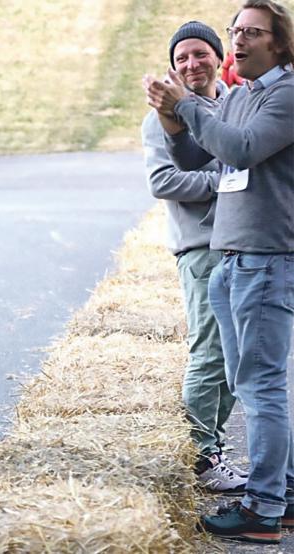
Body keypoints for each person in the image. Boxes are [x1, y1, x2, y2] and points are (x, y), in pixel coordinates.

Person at [144, 0, 294, 544]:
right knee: (249, 382)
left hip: (264, 257)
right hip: (232, 257)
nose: (240, 40)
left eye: (253, 32)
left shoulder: (284, 92)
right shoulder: (244, 96)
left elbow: (241, 150)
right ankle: (284, 493)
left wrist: (187, 107)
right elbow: (191, 160)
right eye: (235, 30)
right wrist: (171, 119)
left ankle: (263, 510)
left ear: (279, 43)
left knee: (262, 387)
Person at [141, 21, 246, 495]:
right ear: (173, 66)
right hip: (201, 249)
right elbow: (162, 182)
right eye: (182, 58)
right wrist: (229, 183)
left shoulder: (236, 104)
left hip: (243, 244)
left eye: (200, 54)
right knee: (209, 352)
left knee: (234, 355)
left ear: (217, 56)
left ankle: (213, 448)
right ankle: (200, 457)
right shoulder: (164, 115)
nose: (191, 64)